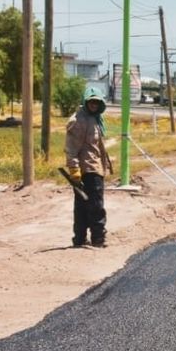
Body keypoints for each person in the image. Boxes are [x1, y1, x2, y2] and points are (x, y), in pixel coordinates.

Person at [64, 84, 113, 248]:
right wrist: (74, 169)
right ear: (86, 102)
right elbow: (71, 148)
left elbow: (98, 147)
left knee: (88, 205)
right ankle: (95, 238)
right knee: (92, 206)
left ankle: (83, 239)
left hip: (95, 168)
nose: (94, 105)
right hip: (87, 170)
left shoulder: (95, 119)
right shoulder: (79, 121)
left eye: (97, 103)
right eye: (91, 102)